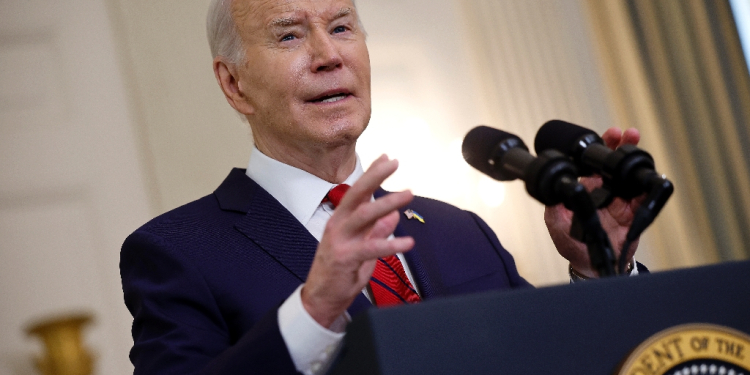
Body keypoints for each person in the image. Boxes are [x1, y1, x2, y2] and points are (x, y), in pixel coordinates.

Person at [120, 0, 645, 374]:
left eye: (343, 27)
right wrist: (313, 311)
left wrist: (599, 269)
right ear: (234, 84)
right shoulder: (177, 252)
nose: (329, 55)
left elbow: (558, 359)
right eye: (289, 35)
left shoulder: (459, 231)